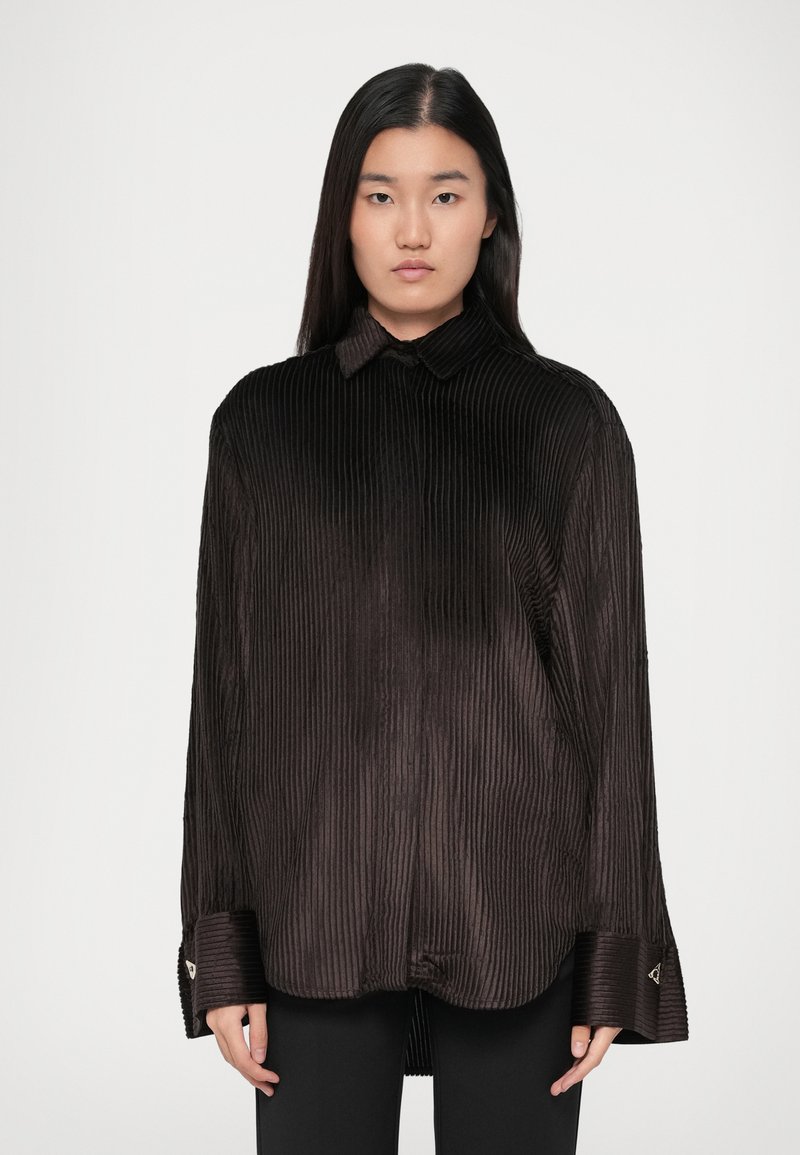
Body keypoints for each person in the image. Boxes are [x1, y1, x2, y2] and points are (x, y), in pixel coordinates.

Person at [177, 63, 689, 1154]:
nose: (413, 228)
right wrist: (221, 952)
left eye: (445, 193)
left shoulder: (568, 426)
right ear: (344, 213)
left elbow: (611, 712)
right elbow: (225, 707)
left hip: (520, 930)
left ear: (489, 211)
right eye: (381, 194)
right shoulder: (261, 427)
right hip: (314, 922)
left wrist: (614, 958)